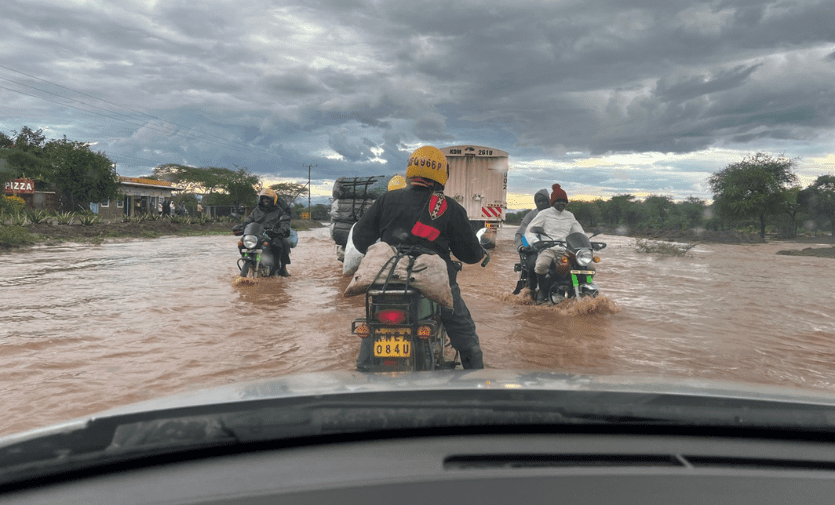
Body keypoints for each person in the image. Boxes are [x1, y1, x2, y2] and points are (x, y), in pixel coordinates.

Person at [352, 146, 487, 370]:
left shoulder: (386, 200)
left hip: (388, 281)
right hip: (431, 282)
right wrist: (480, 251)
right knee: (467, 340)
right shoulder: (449, 207)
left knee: (374, 323)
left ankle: (364, 372)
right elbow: (470, 255)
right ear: (442, 174)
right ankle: (477, 389)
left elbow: (359, 241)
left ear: (410, 170)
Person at [525, 183, 585, 304]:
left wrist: (586, 243)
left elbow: (579, 232)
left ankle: (580, 289)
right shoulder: (544, 214)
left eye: (564, 201)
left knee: (588, 267)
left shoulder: (570, 216)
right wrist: (536, 242)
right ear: (553, 202)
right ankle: (542, 290)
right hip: (548, 248)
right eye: (559, 201)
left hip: (566, 249)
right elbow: (529, 230)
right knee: (541, 265)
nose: (561, 203)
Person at [241, 188, 293, 277]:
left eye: (268, 198)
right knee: (241, 242)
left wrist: (282, 229)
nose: (266, 200)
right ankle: (248, 260)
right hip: (257, 234)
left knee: (281, 243)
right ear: (260, 199)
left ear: (273, 200)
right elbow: (249, 221)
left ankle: (280, 267)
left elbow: (285, 222)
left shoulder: (279, 211)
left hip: (273, 234)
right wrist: (241, 226)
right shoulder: (256, 210)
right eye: (264, 198)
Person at [514, 188, 550, 292]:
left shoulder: (556, 214)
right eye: (539, 201)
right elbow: (521, 234)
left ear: (549, 201)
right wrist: (524, 246)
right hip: (534, 249)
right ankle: (533, 290)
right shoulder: (531, 216)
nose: (541, 203)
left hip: (554, 248)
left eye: (544, 201)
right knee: (534, 264)